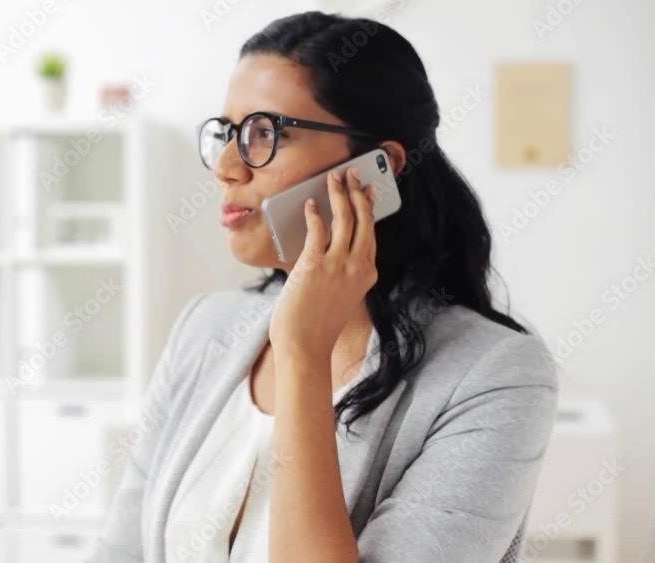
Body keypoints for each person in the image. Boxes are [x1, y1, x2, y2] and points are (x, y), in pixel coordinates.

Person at [89, 11, 558, 563]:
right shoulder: (203, 329)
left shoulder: (496, 374)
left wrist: (304, 353)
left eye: (264, 134)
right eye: (227, 133)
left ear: (377, 167)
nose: (226, 166)